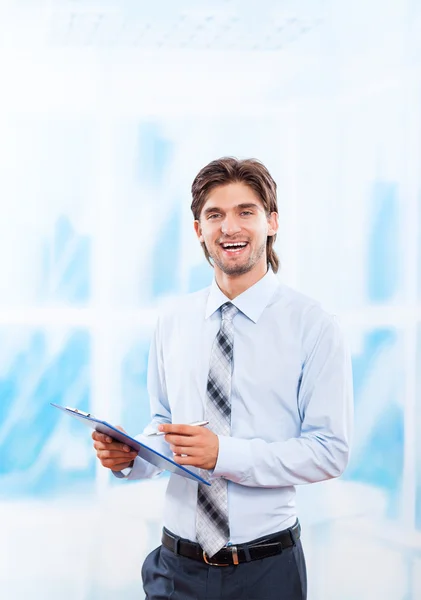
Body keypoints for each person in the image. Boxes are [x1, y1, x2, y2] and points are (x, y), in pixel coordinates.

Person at [92, 157, 353, 600]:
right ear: (199, 230)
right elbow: (165, 424)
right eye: (215, 215)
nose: (229, 227)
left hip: (266, 571)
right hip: (175, 569)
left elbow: (330, 452)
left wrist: (224, 455)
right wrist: (132, 457)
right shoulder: (172, 320)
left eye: (245, 212)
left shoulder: (314, 326)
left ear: (271, 222)